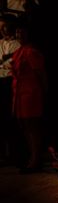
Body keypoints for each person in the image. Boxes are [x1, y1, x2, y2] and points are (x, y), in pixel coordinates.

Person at [10, 20, 47, 173]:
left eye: (22, 32)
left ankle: (35, 160)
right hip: (20, 93)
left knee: (32, 127)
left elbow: (41, 74)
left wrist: (43, 91)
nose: (19, 35)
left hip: (30, 93)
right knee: (26, 126)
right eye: (17, 32)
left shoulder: (31, 52)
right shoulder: (20, 51)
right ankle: (33, 157)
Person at [0, 15, 21, 164]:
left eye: (4, 26)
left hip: (10, 82)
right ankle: (3, 154)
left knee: (12, 119)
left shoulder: (18, 44)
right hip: (0, 81)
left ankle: (14, 154)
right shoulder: (0, 43)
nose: (2, 30)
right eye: (0, 27)